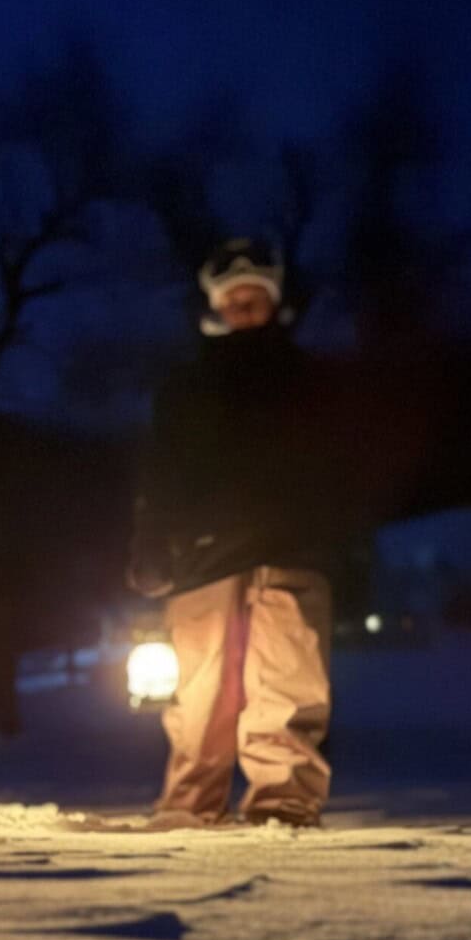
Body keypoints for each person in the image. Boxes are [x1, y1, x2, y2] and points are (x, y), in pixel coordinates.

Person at [127, 238, 335, 828]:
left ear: (274, 303)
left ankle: (285, 805)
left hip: (292, 551)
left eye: (255, 298)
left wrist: (340, 540)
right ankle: (190, 806)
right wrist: (148, 541)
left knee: (287, 687)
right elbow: (158, 469)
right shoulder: (186, 388)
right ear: (216, 306)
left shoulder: (308, 379)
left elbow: (342, 470)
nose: (245, 308)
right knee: (201, 695)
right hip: (202, 556)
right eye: (234, 299)